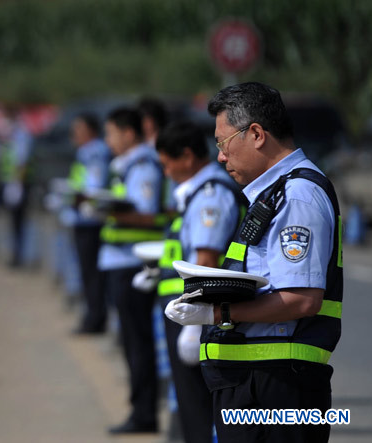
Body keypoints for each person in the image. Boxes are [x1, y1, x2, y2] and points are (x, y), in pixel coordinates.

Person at [165, 82, 343, 443]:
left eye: (222, 142)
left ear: (257, 134)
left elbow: (302, 298)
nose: (220, 156)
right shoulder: (274, 194)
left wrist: (220, 314)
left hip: (277, 387)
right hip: (257, 383)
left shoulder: (297, 197)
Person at [155, 121, 246, 443]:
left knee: (197, 408)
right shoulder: (196, 193)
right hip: (187, 311)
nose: (165, 173)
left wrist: (194, 327)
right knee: (189, 403)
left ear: (188, 156)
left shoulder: (210, 195)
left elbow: (206, 260)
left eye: (167, 164)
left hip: (197, 316)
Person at [97, 107, 168, 434]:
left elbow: (148, 214)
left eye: (111, 133)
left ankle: (144, 414)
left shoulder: (142, 166)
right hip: (120, 261)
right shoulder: (127, 165)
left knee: (138, 342)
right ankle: (141, 410)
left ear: (129, 133)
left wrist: (106, 208)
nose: (108, 141)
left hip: (133, 263)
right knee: (131, 341)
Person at [67, 113, 111, 333]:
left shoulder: (93, 151)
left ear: (90, 130)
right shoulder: (91, 150)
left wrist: (78, 196)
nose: (74, 134)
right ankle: (94, 316)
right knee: (90, 273)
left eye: (78, 129)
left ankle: (94, 319)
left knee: (91, 274)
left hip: (89, 220)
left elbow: (93, 187)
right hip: (84, 218)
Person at [1, 108, 35, 268]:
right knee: (15, 222)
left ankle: (21, 256)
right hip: (13, 182)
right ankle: (17, 254)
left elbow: (21, 162)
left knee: (20, 222)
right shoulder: (13, 136)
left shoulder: (21, 135)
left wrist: (17, 184)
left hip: (19, 183)